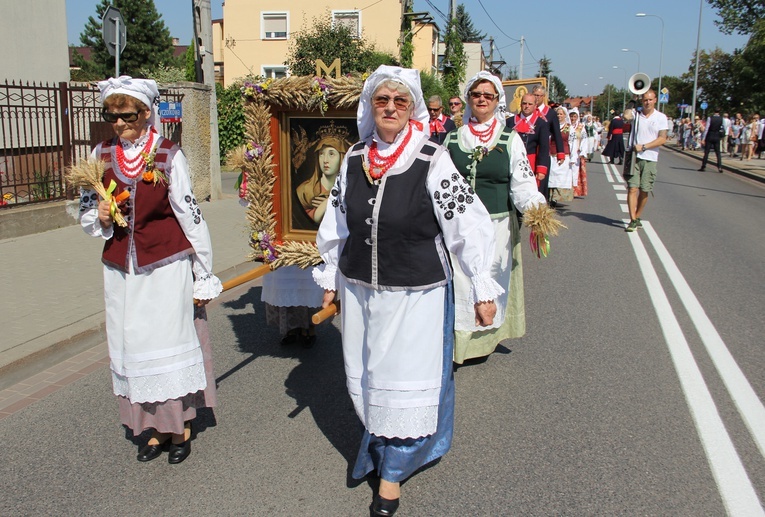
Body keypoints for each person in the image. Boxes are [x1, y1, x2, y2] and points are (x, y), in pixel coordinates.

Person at [312, 66, 502, 517]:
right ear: (370, 107)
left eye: (400, 101)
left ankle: (392, 474)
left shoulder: (431, 157)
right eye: (382, 101)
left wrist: (481, 286)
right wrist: (328, 279)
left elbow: (468, 224)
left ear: (412, 106)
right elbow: (336, 226)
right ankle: (379, 445)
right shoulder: (356, 157)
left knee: (405, 383)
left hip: (417, 294)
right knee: (367, 376)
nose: (391, 108)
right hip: (360, 290)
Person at [78, 76, 222, 463]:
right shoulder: (100, 155)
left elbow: (190, 215)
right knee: (133, 347)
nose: (119, 124)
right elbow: (86, 212)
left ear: (146, 113)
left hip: (164, 269)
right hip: (121, 272)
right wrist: (100, 215)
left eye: (127, 116)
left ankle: (180, 427)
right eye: (112, 116)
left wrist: (204, 271)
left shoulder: (168, 155)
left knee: (165, 346)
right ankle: (152, 428)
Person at [443, 72, 546, 364]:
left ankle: (482, 342)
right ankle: (458, 343)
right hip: (459, 227)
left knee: (489, 278)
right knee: (461, 282)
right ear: (468, 99)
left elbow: (523, 185)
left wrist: (537, 212)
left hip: (497, 226)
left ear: (497, 101)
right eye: (477, 94)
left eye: (488, 95)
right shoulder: (452, 139)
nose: (482, 99)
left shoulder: (510, 140)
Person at [625, 90, 669, 232]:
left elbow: (662, 138)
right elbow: (626, 115)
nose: (647, 102)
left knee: (645, 190)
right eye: (645, 100)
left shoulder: (661, 117)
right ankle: (632, 219)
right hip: (634, 157)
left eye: (650, 100)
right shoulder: (636, 114)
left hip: (650, 157)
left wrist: (644, 147)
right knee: (632, 188)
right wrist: (633, 100)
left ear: (655, 100)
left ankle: (637, 216)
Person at [296, 126, 351, 224]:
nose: (325, 160)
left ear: (342, 157)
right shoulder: (304, 190)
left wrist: (327, 203)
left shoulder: (351, 189)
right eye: (321, 154)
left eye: (331, 154)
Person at [505, 92, 550, 186]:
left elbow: (544, 148)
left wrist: (541, 169)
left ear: (535, 106)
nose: (527, 106)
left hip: (530, 163)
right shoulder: (509, 122)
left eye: (530, 104)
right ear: (520, 104)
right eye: (524, 103)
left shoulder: (541, 124)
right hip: (511, 162)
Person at [532, 84, 565, 200]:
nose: (537, 98)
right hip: (529, 150)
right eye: (535, 95)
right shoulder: (528, 110)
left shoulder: (550, 113)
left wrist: (560, 152)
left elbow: (557, 134)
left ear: (544, 96)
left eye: (539, 96)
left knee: (541, 183)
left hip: (543, 151)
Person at [547, 107, 574, 205]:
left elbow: (572, 142)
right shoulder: (551, 127)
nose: (559, 116)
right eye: (557, 114)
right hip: (551, 154)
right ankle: (551, 198)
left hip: (564, 155)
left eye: (561, 114)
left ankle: (556, 197)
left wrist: (573, 157)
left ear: (565, 115)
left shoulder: (569, 128)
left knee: (559, 177)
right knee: (551, 176)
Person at [569, 108, 589, 197]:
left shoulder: (581, 127)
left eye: (574, 116)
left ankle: (574, 190)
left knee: (574, 170)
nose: (572, 118)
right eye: (571, 116)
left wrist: (583, 151)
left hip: (576, 151)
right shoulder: (566, 126)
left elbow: (584, 139)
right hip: (567, 151)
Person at [698, 107, 724, 173]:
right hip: (717, 135)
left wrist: (703, 138)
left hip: (710, 135)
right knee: (718, 152)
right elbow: (722, 128)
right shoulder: (721, 119)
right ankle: (720, 167)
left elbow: (706, 128)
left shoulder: (710, 118)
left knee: (706, 152)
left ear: (713, 111)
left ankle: (703, 166)